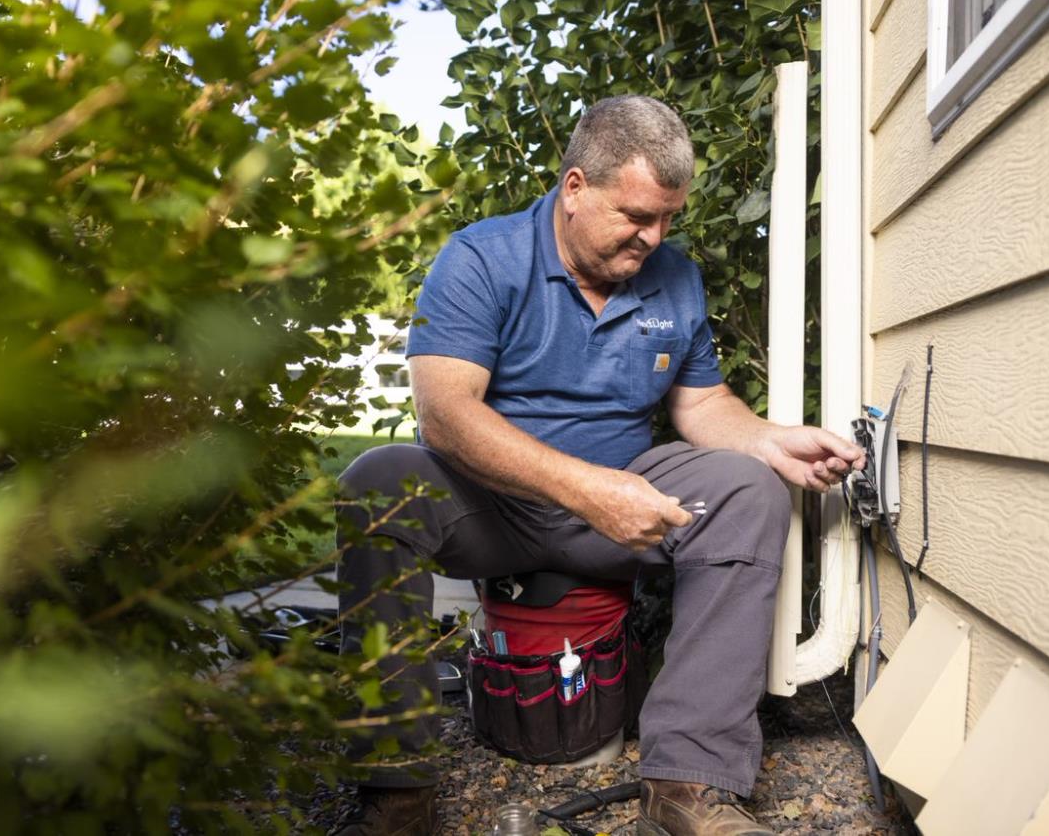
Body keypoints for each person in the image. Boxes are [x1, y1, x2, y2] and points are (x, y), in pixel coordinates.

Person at [332, 95, 864, 836]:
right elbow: (445, 414)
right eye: (638, 216)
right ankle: (396, 797)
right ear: (575, 188)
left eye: (668, 218)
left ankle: (686, 785)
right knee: (377, 483)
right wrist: (586, 488)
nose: (655, 236)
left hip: (622, 506)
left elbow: (702, 405)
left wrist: (771, 440)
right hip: (496, 508)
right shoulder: (481, 258)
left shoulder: (674, 279)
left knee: (748, 488)